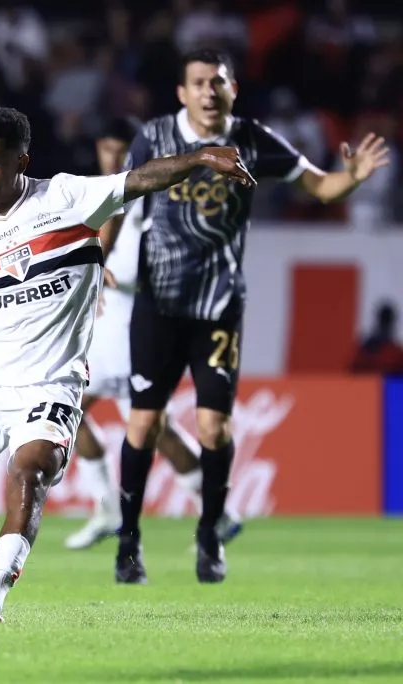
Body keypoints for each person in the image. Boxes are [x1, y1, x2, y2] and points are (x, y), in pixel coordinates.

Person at [0, 105, 254, 622]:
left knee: (29, 472)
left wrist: (203, 156)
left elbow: (141, 179)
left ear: (21, 161)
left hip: (49, 387)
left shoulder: (67, 197)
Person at [114, 48, 392, 585]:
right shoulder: (154, 138)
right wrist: (102, 259)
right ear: (182, 93)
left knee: (214, 427)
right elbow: (121, 200)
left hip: (219, 306)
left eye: (217, 82)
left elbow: (319, 184)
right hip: (158, 304)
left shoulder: (253, 138)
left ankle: (210, 534)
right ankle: (128, 541)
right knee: (143, 423)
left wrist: (351, 176)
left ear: (232, 90)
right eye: (198, 83)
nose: (208, 92)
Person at [66, 117, 242, 551]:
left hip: (134, 329)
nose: (112, 157)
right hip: (108, 331)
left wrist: (108, 274)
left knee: (121, 419)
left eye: (120, 150)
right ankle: (211, 511)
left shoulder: (152, 203)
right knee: (104, 416)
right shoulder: (97, 197)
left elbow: (148, 265)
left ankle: (114, 507)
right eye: (106, 148)